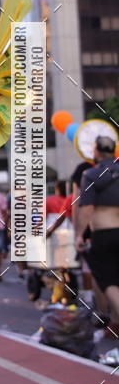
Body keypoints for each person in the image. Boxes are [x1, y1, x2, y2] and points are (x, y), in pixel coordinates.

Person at [76, 135, 119, 324]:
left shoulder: (91, 175)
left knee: (107, 281)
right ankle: (115, 324)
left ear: (96, 152)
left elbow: (86, 209)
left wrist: (78, 235)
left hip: (104, 233)